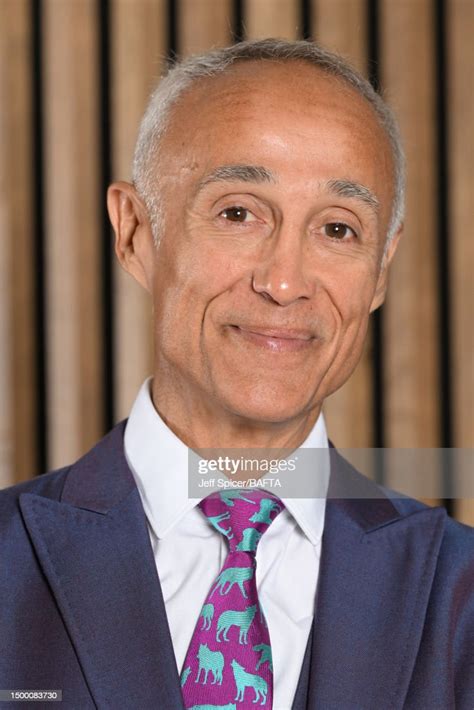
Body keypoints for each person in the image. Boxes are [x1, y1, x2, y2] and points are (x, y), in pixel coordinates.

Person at [0, 38, 472, 710]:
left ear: (381, 271)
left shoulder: (460, 593)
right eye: (238, 213)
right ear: (136, 232)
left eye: (338, 229)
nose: (284, 283)